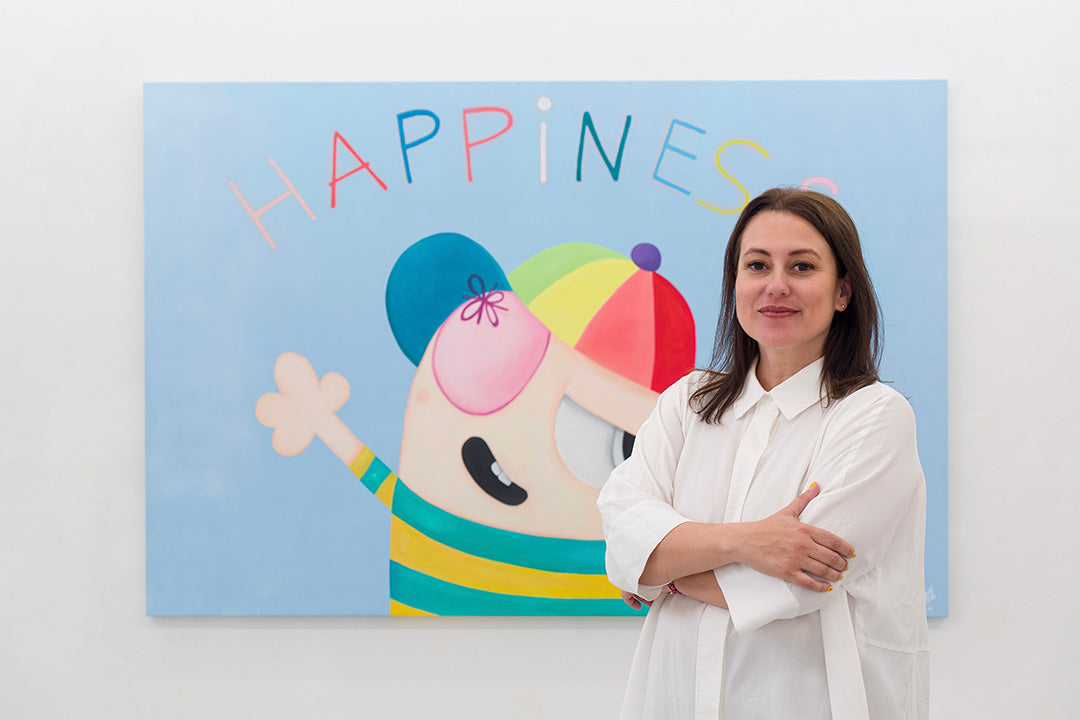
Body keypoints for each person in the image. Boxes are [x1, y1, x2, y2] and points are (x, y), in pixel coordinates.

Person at [597, 188, 928, 720]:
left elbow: (800, 584)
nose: (776, 286)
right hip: (674, 697)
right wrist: (746, 542)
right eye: (757, 265)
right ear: (735, 284)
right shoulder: (688, 401)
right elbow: (622, 536)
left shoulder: (874, 416)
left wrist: (664, 573)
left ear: (843, 291)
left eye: (802, 266)